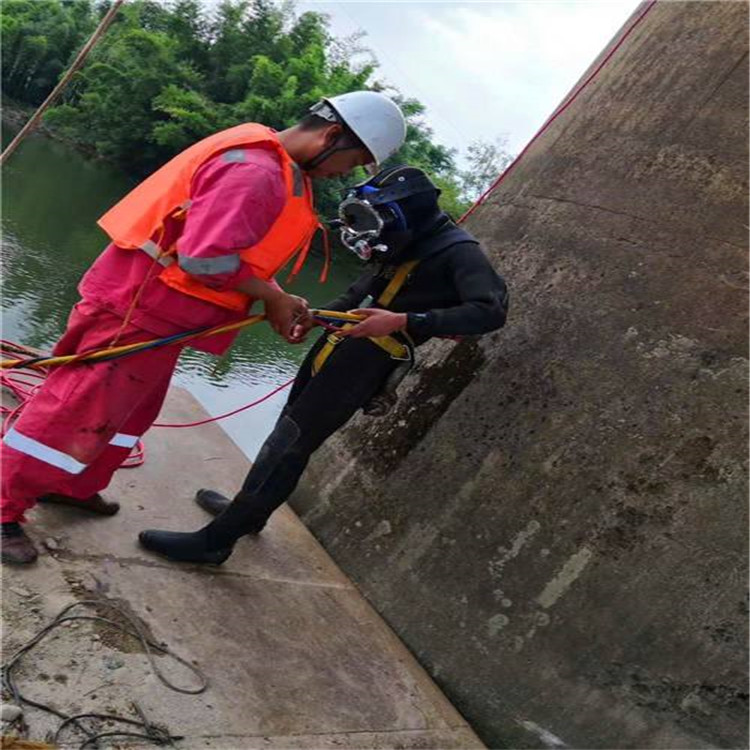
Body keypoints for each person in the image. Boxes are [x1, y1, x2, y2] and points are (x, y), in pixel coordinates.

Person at [1, 92, 407, 565]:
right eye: (353, 161)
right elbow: (204, 258)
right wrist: (271, 296)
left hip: (159, 311)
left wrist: (273, 292)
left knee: (129, 414)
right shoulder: (256, 173)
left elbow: (231, 250)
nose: (346, 174)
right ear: (332, 136)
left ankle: (72, 484)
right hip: (139, 305)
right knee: (73, 410)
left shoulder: (269, 162)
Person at [138, 165, 509, 565]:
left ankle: (216, 541)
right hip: (340, 345)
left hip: (370, 359)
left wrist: (405, 321)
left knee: (290, 445)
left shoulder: (459, 251)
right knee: (286, 430)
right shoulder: (405, 241)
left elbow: (491, 311)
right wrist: (319, 315)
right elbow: (362, 289)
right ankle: (248, 515)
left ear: (408, 213)